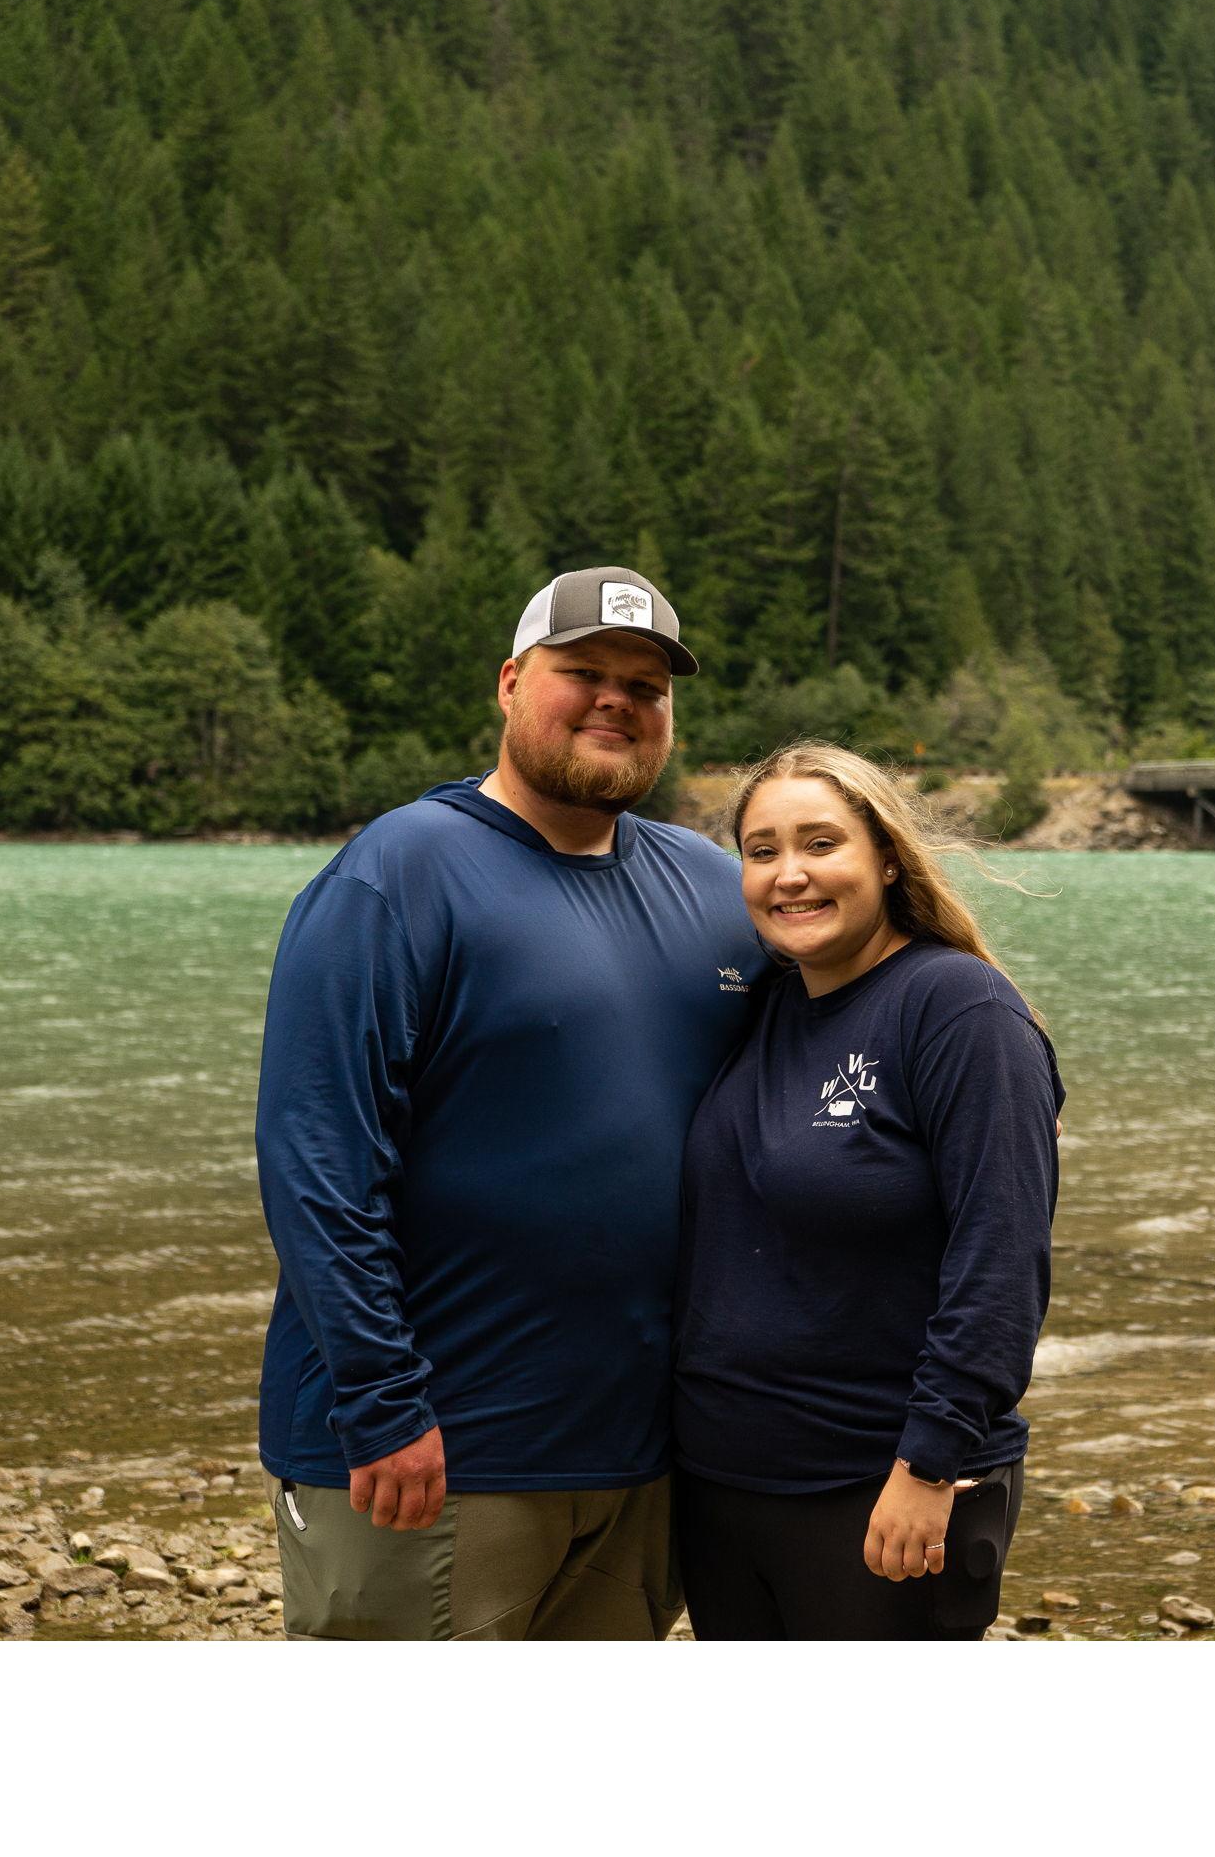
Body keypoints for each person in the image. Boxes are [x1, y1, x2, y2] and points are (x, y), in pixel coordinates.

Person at [253, 565, 768, 1639]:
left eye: (648, 685)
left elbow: (862, 1000)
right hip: (435, 1452)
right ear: (508, 683)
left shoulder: (717, 890)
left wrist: (990, 1068)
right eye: (582, 671)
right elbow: (317, 1159)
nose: (617, 699)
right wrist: (383, 1404)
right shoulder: (397, 875)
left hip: (641, 1455)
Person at [673, 740, 1062, 1638]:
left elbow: (1000, 1261)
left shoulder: (960, 1011)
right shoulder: (767, 1007)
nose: (789, 876)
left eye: (821, 844)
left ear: (886, 855)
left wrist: (930, 1464)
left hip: (881, 1486)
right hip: (725, 1483)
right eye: (762, 852)